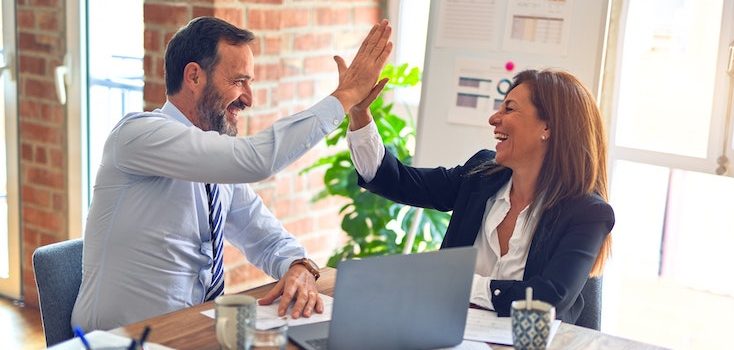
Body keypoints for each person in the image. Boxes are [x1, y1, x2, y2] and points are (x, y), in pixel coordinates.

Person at [72, 16, 392, 331]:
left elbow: (264, 236)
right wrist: (345, 97)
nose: (249, 99)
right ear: (194, 77)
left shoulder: (216, 165)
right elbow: (256, 160)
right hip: (119, 340)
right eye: (239, 81)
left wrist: (298, 266)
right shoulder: (138, 135)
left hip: (190, 331)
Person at [346, 69, 615, 324]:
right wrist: (359, 114)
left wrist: (459, 284)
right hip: (450, 335)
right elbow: (398, 181)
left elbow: (549, 298)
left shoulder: (587, 213)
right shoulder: (481, 175)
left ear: (548, 127)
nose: (494, 118)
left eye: (509, 108)